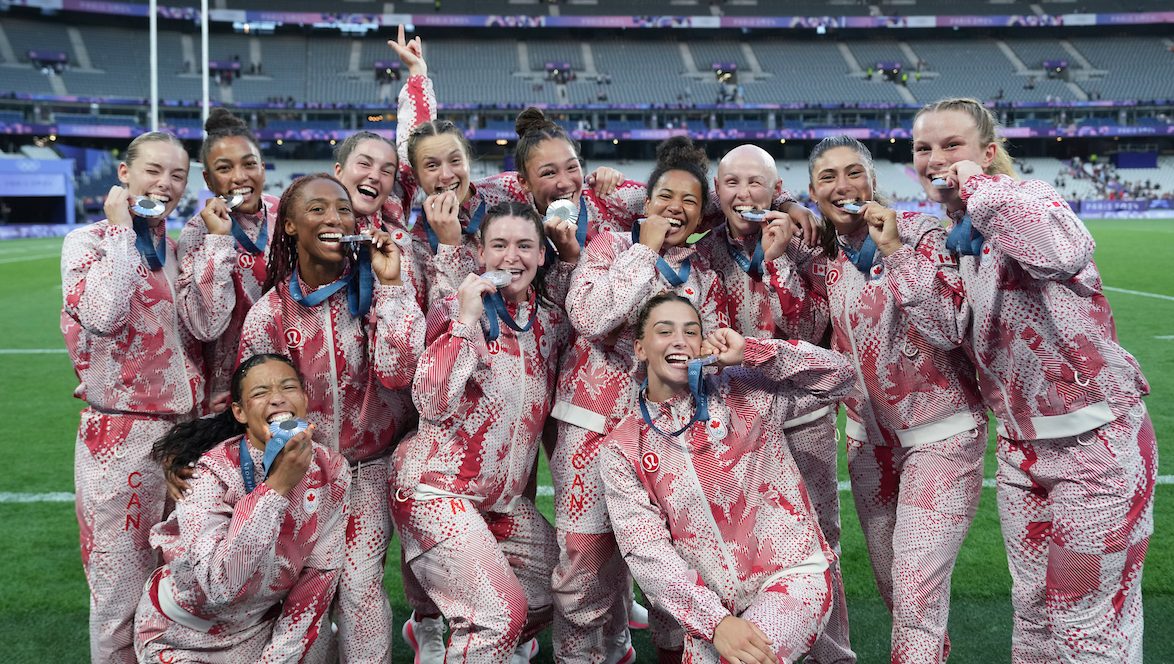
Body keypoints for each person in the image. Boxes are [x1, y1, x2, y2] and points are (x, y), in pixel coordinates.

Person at [912, 98, 1156, 663]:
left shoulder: (1027, 200)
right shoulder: (962, 234)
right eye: (924, 148)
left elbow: (1062, 252)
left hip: (1095, 444)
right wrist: (904, 253)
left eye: (953, 146)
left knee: (1082, 615)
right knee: (1035, 611)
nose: (935, 159)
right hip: (1023, 451)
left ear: (988, 154)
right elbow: (947, 330)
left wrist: (980, 188)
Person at [600, 293, 855, 663]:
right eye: (664, 330)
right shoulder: (623, 446)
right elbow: (647, 553)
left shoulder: (744, 390)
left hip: (794, 576)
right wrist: (716, 622)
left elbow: (840, 377)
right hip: (714, 608)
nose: (679, 340)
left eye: (690, 331)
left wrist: (752, 352)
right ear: (640, 348)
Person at [808, 135, 987, 663]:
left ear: (873, 181)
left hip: (942, 437)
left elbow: (948, 327)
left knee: (914, 595)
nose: (843, 186)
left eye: (853, 173)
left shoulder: (920, 233)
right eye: (827, 178)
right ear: (812, 192)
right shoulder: (821, 256)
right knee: (898, 593)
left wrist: (892, 250)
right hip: (869, 448)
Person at [552, 136, 729, 662]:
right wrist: (643, 251)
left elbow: (706, 359)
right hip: (591, 428)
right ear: (646, 203)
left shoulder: (707, 278)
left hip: (667, 433)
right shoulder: (608, 248)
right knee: (586, 560)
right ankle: (586, 656)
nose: (675, 207)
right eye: (664, 197)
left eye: (689, 202)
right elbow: (590, 319)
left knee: (677, 561)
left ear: (702, 217)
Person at [238, 173, 425, 663]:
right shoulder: (269, 315)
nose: (335, 219)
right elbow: (255, 412)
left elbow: (402, 370)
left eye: (343, 210)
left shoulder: (373, 291)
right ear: (289, 228)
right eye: (317, 209)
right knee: (308, 593)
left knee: (361, 586)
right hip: (306, 472)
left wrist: (392, 286)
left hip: (371, 467)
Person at [390, 201, 579, 662]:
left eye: (524, 246)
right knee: (500, 613)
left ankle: (469, 632)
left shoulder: (550, 321)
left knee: (570, 588)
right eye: (499, 245)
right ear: (480, 251)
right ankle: (476, 628)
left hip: (499, 502)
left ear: (540, 255)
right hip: (434, 489)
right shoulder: (454, 308)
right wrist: (464, 320)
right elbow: (431, 403)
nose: (511, 257)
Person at [697, 143, 854, 663]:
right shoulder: (703, 253)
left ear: (775, 189)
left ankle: (830, 654)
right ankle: (760, 640)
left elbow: (813, 330)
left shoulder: (804, 245)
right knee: (740, 536)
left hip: (803, 411)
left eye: (755, 183)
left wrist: (776, 263)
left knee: (820, 536)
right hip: (736, 421)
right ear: (716, 193)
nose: (744, 193)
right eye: (731, 183)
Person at [60, 131, 204, 662]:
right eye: (153, 171)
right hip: (119, 434)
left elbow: (206, 327)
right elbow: (104, 314)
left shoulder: (180, 245)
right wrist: (124, 232)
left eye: (176, 175)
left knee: (179, 584)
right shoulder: (89, 242)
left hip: (184, 434)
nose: (164, 184)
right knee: (118, 590)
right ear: (125, 174)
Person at [134, 354, 349, 662]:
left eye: (288, 387)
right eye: (260, 393)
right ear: (240, 411)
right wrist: (277, 487)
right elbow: (220, 584)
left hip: (257, 631)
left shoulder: (332, 470)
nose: (277, 399)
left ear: (304, 398)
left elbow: (318, 578)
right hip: (182, 634)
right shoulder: (209, 472)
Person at [177, 108, 279, 418]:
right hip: (229, 394)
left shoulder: (286, 212)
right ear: (208, 178)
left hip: (289, 378)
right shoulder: (197, 233)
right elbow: (206, 326)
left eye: (249, 164)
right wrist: (218, 241)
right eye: (224, 168)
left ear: (262, 167)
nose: (239, 177)